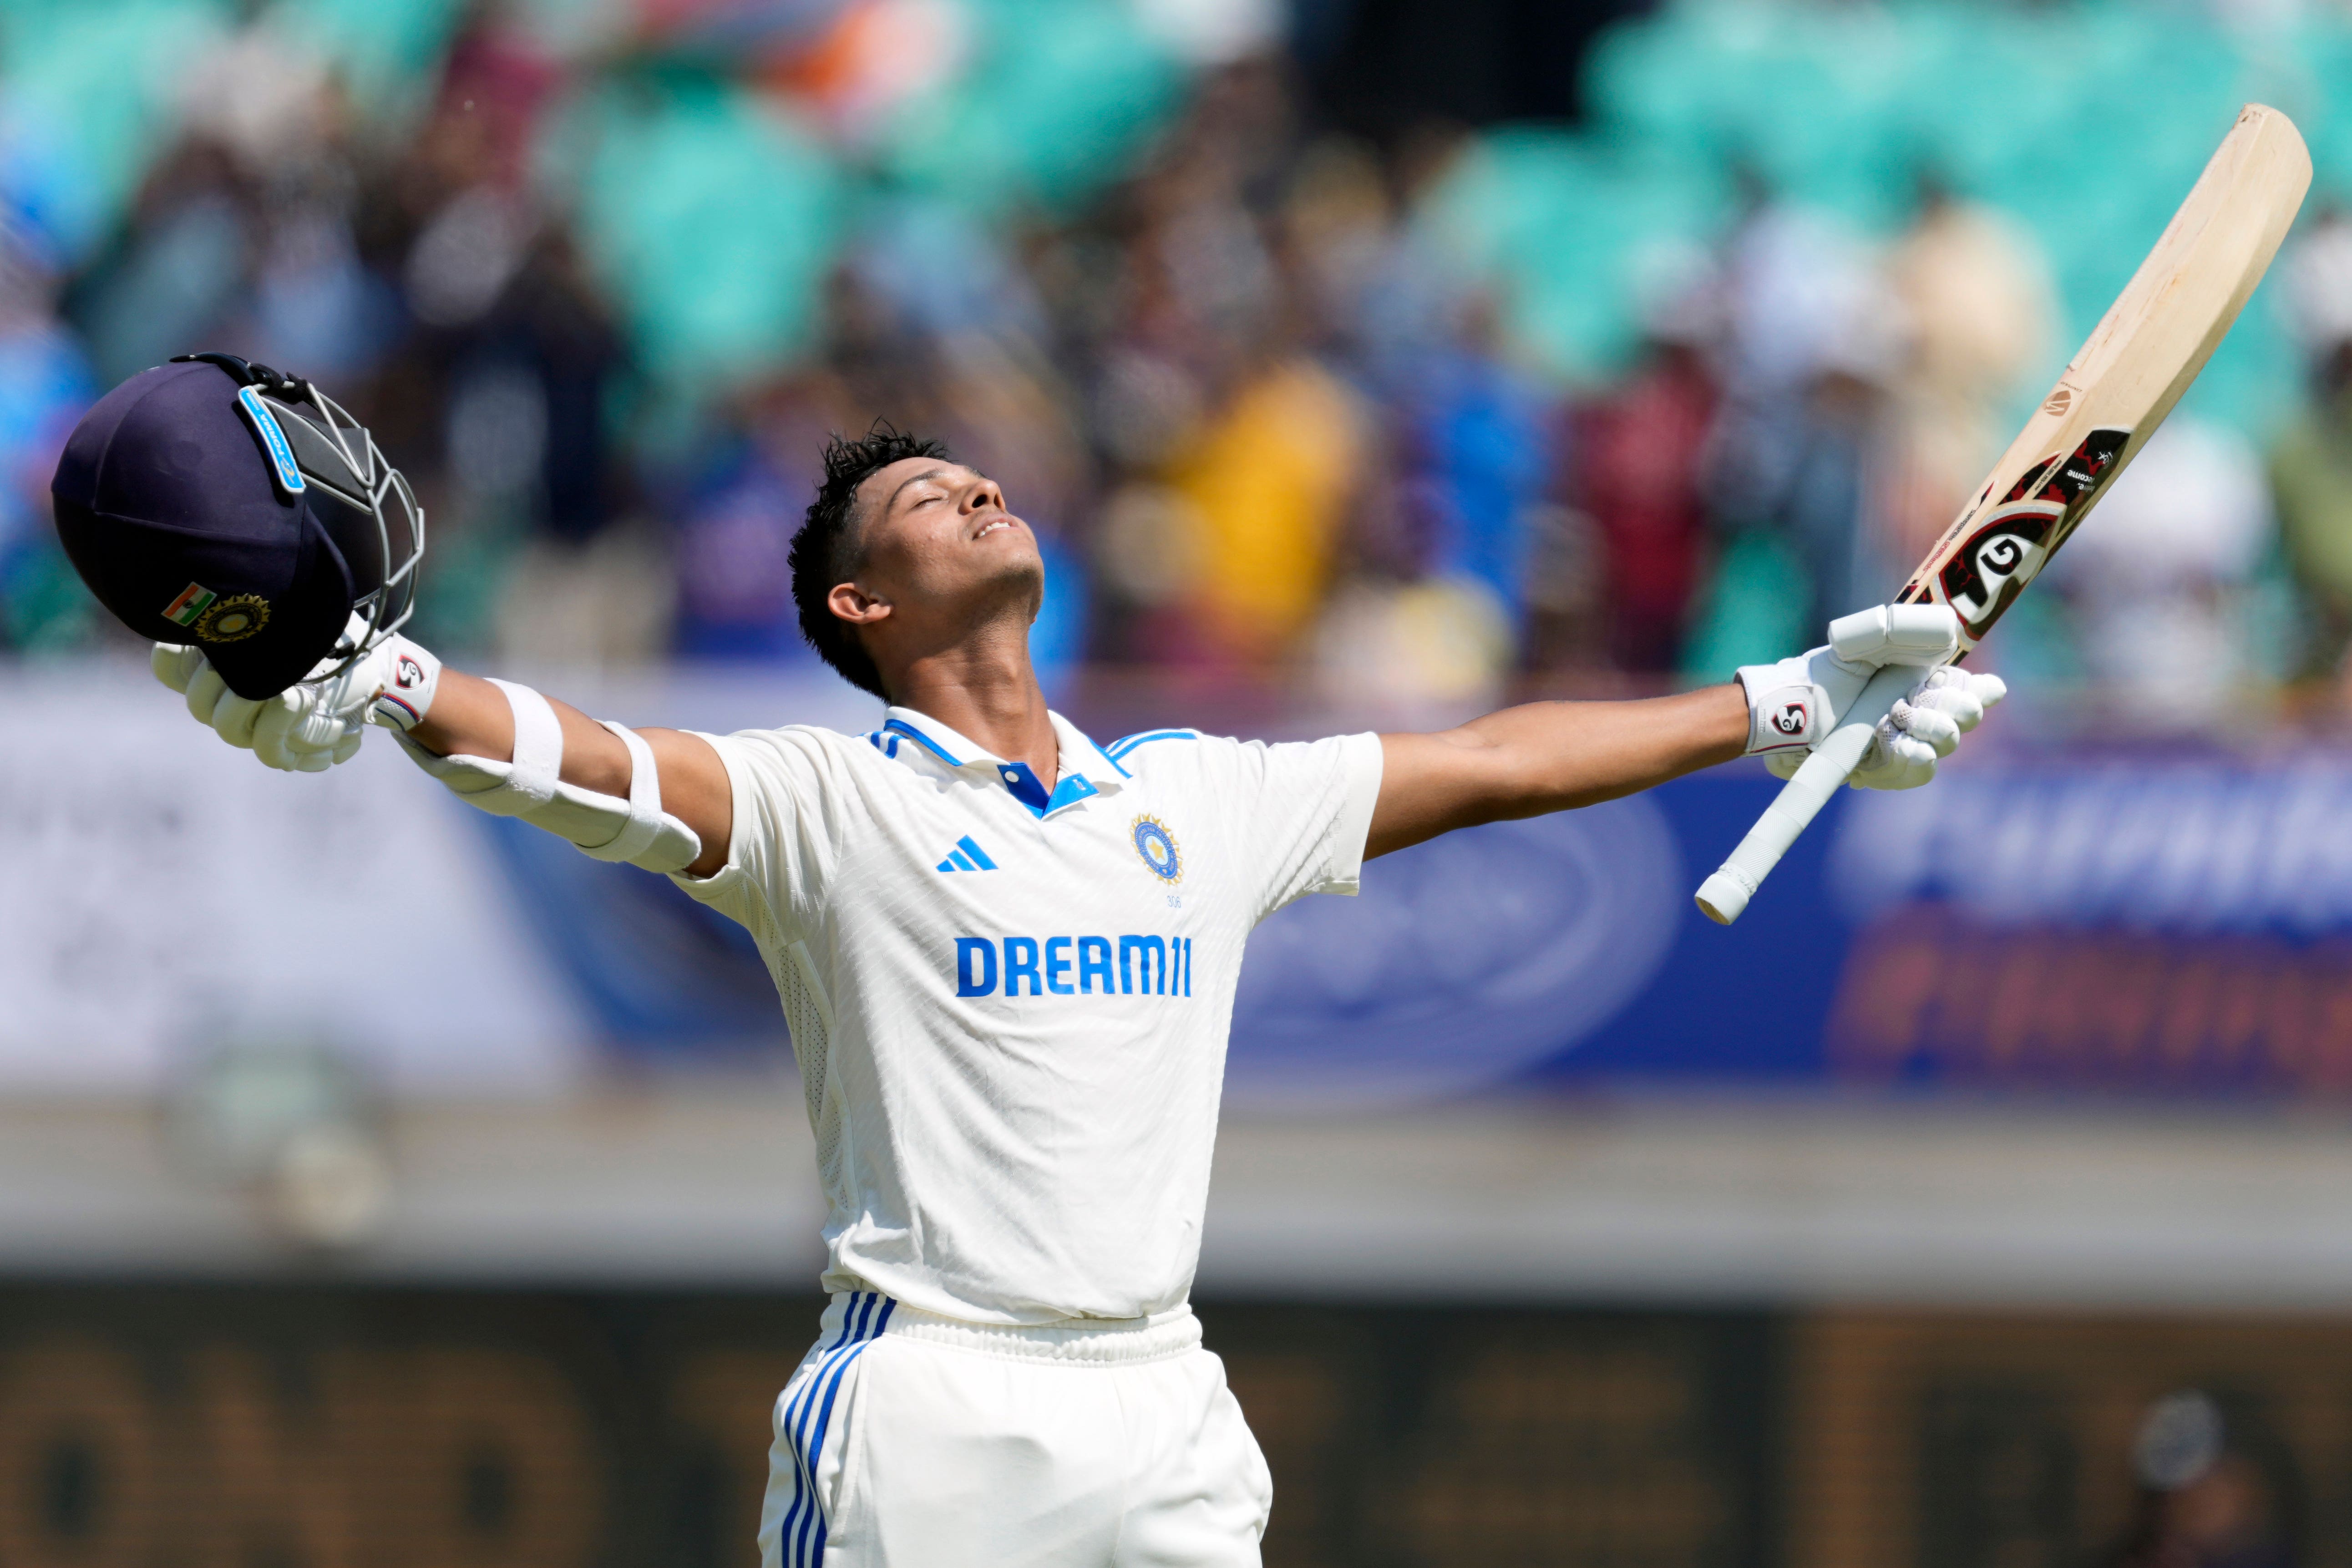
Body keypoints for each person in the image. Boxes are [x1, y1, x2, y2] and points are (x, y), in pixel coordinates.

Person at [57, 360, 2003, 1568]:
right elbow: (608, 774)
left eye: (981, 480)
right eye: (921, 500)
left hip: (1162, 1403)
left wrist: (1779, 697)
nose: (976, 489)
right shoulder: (836, 797)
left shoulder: (1193, 797)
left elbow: (1493, 761)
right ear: (857, 599)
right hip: (932, 1417)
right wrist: (400, 686)